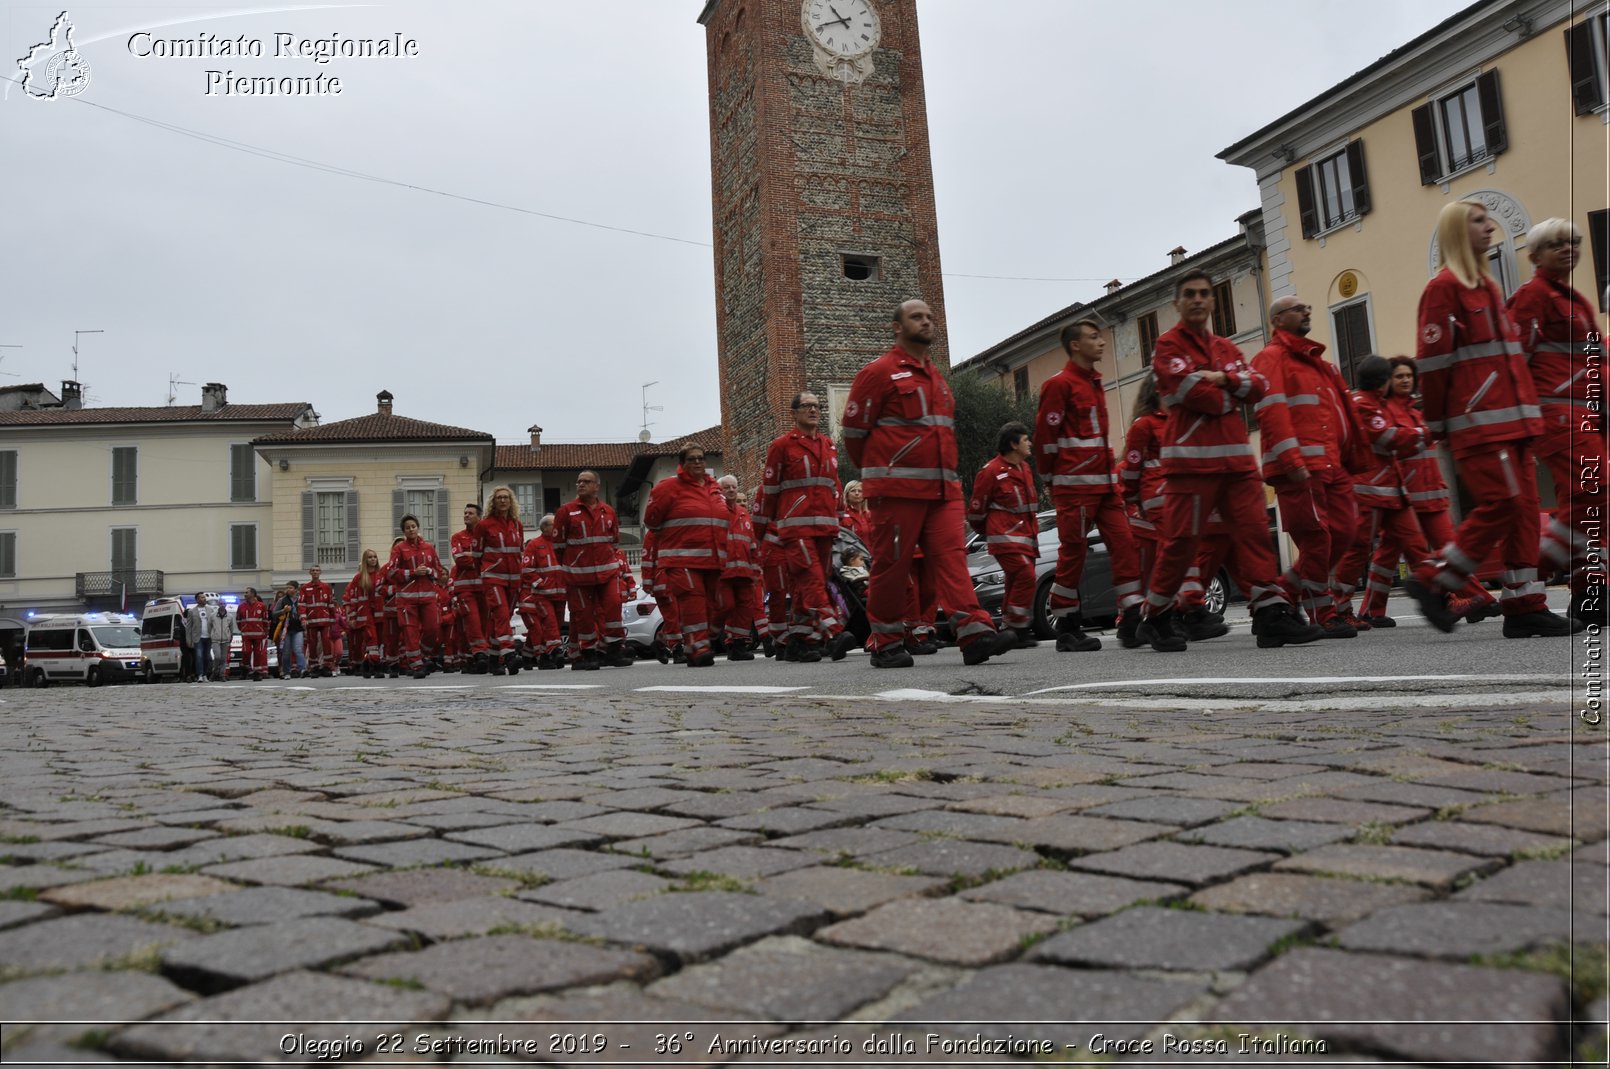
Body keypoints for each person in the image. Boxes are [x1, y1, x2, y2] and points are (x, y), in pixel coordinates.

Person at [1405, 201, 1578, 637]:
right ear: (1457, 233)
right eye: (1478, 221)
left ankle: (1524, 606)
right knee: (1502, 505)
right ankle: (1434, 582)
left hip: (1515, 425)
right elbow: (1434, 364)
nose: (1488, 226)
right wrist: (1440, 425)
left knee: (1523, 512)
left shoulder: (1487, 286)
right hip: (1480, 425)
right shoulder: (1443, 288)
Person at [1139, 272, 1324, 652]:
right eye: (1189, 294)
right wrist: (1230, 386)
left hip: (1237, 464)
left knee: (1254, 535)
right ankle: (1155, 615)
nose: (1198, 300)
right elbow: (1195, 393)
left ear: (1211, 302)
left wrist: (1220, 377)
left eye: (1205, 294)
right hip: (1191, 468)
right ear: (1177, 303)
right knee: (1181, 545)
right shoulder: (1166, 346)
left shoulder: (1225, 347)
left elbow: (1258, 386)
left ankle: (1271, 615)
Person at [842, 299, 1016, 668]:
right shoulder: (878, 373)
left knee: (952, 561)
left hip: (943, 492)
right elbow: (854, 435)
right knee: (892, 567)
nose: (926, 322)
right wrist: (881, 473)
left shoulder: (936, 378)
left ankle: (974, 633)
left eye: (929, 317)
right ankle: (887, 640)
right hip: (896, 492)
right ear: (897, 327)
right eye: (916, 317)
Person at [1252, 295, 1369, 638]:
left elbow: (1341, 415)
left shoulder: (1320, 364)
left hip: (1332, 465)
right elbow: (1272, 411)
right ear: (1277, 320)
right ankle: (1322, 612)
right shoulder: (1270, 357)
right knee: (1318, 539)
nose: (1306, 311)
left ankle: (1278, 595)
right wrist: (1292, 459)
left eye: (1308, 306)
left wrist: (1352, 458)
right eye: (1297, 308)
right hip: (1299, 467)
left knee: (1346, 533)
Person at [1509, 217, 1605, 626]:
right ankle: (1539, 567)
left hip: (1584, 411)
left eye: (1573, 242)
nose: (1567, 248)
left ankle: (1590, 594)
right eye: (1555, 244)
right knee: (1596, 492)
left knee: (1588, 504)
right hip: (1557, 412)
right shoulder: (1534, 295)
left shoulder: (1571, 298)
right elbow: (1514, 357)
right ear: (1534, 256)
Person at [1034, 318, 1145, 651]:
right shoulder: (1060, 385)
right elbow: (1045, 439)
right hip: (1075, 487)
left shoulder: (1094, 383)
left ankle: (1131, 619)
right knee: (1074, 555)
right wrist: (1052, 480)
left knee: (1125, 545)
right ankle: (1067, 625)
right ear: (1075, 345)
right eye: (1093, 338)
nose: (1102, 342)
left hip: (1105, 487)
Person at [754, 391, 854, 662]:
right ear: (794, 413)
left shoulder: (828, 445)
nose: (813, 410)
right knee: (810, 578)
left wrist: (841, 519)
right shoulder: (782, 446)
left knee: (812, 583)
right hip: (794, 527)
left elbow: (834, 486)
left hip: (824, 527)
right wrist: (761, 534)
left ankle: (801, 639)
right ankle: (832, 630)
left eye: (817, 406)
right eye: (807, 406)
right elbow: (770, 491)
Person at [1334, 356, 1430, 629]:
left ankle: (1440, 599)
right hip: (1368, 490)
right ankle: (1340, 608)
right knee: (1357, 551)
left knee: (1413, 544)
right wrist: (1426, 433)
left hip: (1387, 489)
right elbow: (1388, 437)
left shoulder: (1375, 404)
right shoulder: (1363, 405)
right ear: (1383, 381)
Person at [644, 444, 729, 668]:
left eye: (701, 458)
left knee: (721, 604)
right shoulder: (668, 488)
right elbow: (651, 521)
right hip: (681, 559)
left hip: (713, 560)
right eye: (692, 459)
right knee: (694, 604)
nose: (698, 462)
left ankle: (665, 639)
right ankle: (696, 648)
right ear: (682, 463)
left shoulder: (714, 488)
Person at [969, 421, 1041, 646]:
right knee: (1026, 576)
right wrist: (989, 531)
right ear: (1013, 444)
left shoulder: (1025, 469)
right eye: (1025, 439)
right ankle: (1018, 627)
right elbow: (977, 509)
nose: (1029, 443)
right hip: (1005, 538)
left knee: (1016, 579)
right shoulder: (991, 471)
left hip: (1026, 537)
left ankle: (1010, 628)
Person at [553, 470, 632, 670]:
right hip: (578, 577)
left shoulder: (608, 511)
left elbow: (614, 542)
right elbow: (559, 547)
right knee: (584, 615)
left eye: (586, 482)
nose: (581, 485)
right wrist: (572, 566)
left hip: (607, 573)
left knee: (614, 608)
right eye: (579, 482)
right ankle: (587, 654)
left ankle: (614, 650)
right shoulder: (566, 511)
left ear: (597, 486)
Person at [388, 513, 446, 679]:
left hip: (427, 597)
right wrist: (412, 573)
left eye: (413, 526)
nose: (411, 529)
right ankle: (416, 665)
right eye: (407, 528)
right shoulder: (399, 549)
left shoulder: (429, 548)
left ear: (418, 528)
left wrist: (429, 571)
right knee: (410, 632)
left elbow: (439, 572)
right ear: (404, 531)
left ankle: (421, 654)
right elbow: (392, 573)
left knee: (432, 629)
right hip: (407, 599)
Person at [476, 486, 526, 675]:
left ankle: (494, 658)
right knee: (502, 613)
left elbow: (519, 551)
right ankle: (510, 654)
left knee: (500, 618)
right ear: (493, 502)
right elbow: (477, 555)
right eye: (499, 498)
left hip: (513, 579)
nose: (503, 501)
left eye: (506, 497)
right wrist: (484, 573)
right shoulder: (484, 525)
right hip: (493, 577)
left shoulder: (516, 525)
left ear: (511, 501)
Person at [717, 475, 764, 660]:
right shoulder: (718, 512)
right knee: (727, 606)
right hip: (725, 571)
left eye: (734, 487)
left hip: (744, 572)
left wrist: (755, 568)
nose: (731, 490)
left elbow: (752, 544)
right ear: (720, 490)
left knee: (745, 608)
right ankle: (717, 640)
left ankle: (739, 644)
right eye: (726, 487)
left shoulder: (744, 514)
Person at [450, 503, 492, 673]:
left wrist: (471, 555)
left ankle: (471, 658)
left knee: (484, 623)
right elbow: (460, 559)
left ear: (479, 517)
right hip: (465, 588)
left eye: (470, 513)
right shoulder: (457, 537)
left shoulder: (487, 535)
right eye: (465, 513)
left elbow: (492, 557)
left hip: (484, 586)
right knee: (472, 622)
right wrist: (479, 557)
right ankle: (481, 653)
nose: (466, 515)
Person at [345, 549, 385, 677]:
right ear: (365, 560)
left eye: (375, 557)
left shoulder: (381, 575)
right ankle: (376, 666)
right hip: (365, 614)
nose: (373, 559)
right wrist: (351, 616)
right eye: (370, 557)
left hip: (380, 613)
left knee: (379, 640)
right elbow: (353, 598)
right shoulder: (359, 577)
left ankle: (367, 663)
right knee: (372, 640)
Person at [298, 566, 335, 677]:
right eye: (313, 570)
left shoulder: (326, 587)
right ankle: (314, 667)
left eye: (317, 570)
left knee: (326, 643)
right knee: (312, 644)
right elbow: (302, 605)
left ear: (320, 572)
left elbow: (331, 603)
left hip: (325, 620)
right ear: (310, 572)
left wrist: (332, 618)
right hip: (311, 621)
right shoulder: (305, 588)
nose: (315, 572)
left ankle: (327, 666)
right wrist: (303, 618)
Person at [236, 587, 270, 681]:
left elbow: (265, 620)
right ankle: (245, 668)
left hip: (259, 634)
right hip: (246, 634)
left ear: (253, 594)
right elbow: (238, 620)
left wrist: (265, 631)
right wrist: (242, 629)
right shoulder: (241, 606)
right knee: (246, 652)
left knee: (258, 653)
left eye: (247, 592)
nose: (245, 594)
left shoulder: (262, 606)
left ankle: (257, 672)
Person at [183, 592, 214, 683]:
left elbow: (213, 624)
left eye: (204, 597)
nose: (204, 599)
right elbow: (188, 627)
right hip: (198, 637)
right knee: (199, 656)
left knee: (207, 657)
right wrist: (189, 640)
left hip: (208, 637)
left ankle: (205, 674)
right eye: (202, 597)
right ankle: (200, 675)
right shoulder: (192, 611)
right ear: (197, 600)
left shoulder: (210, 610)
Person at [839, 480, 873, 544]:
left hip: (869, 552)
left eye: (860, 491)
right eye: (853, 491)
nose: (857, 493)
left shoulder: (870, 515)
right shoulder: (842, 514)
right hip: (850, 552)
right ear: (847, 495)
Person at [208, 598, 234, 680]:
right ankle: (215, 672)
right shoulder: (213, 615)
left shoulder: (230, 616)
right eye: (221, 603)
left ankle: (222, 675)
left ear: (226, 605)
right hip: (216, 640)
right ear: (218, 604)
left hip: (225, 640)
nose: (222, 605)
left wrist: (230, 636)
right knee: (217, 656)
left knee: (223, 658)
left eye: (224, 603)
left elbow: (231, 628)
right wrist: (212, 635)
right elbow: (209, 626)